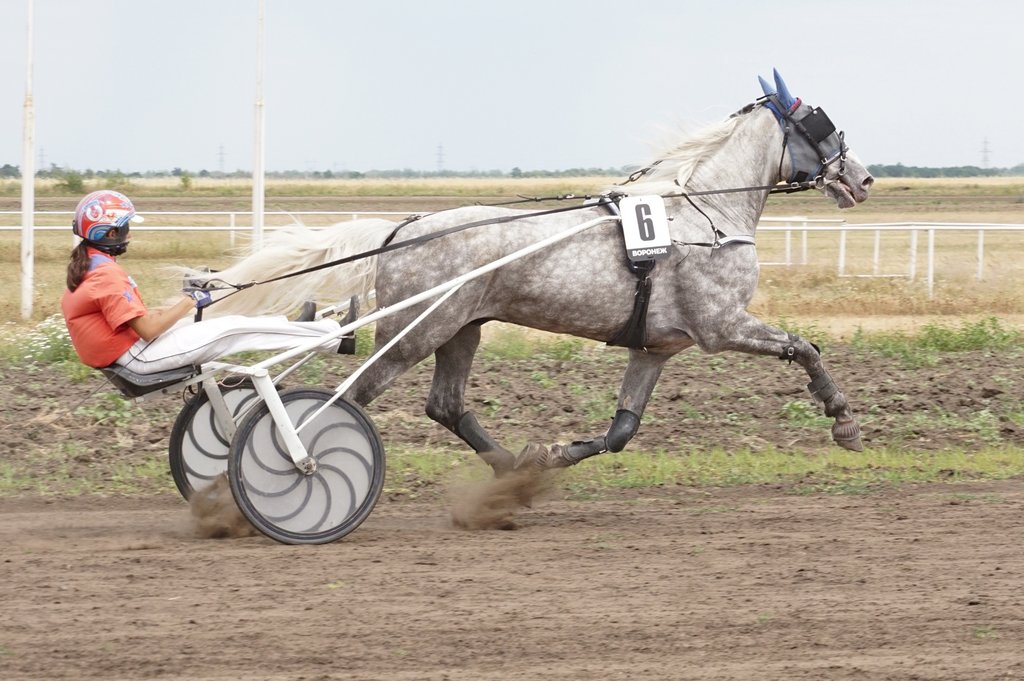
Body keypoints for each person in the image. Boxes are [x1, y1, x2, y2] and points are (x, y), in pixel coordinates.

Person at [61, 190, 344, 375]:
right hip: (139, 357)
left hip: (131, 352)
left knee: (226, 322)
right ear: (108, 233)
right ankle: (332, 337)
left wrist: (185, 301)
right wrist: (191, 298)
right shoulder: (105, 275)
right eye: (125, 229)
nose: (129, 236)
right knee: (231, 329)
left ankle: (297, 327)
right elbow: (148, 330)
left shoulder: (91, 264)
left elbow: (140, 322)